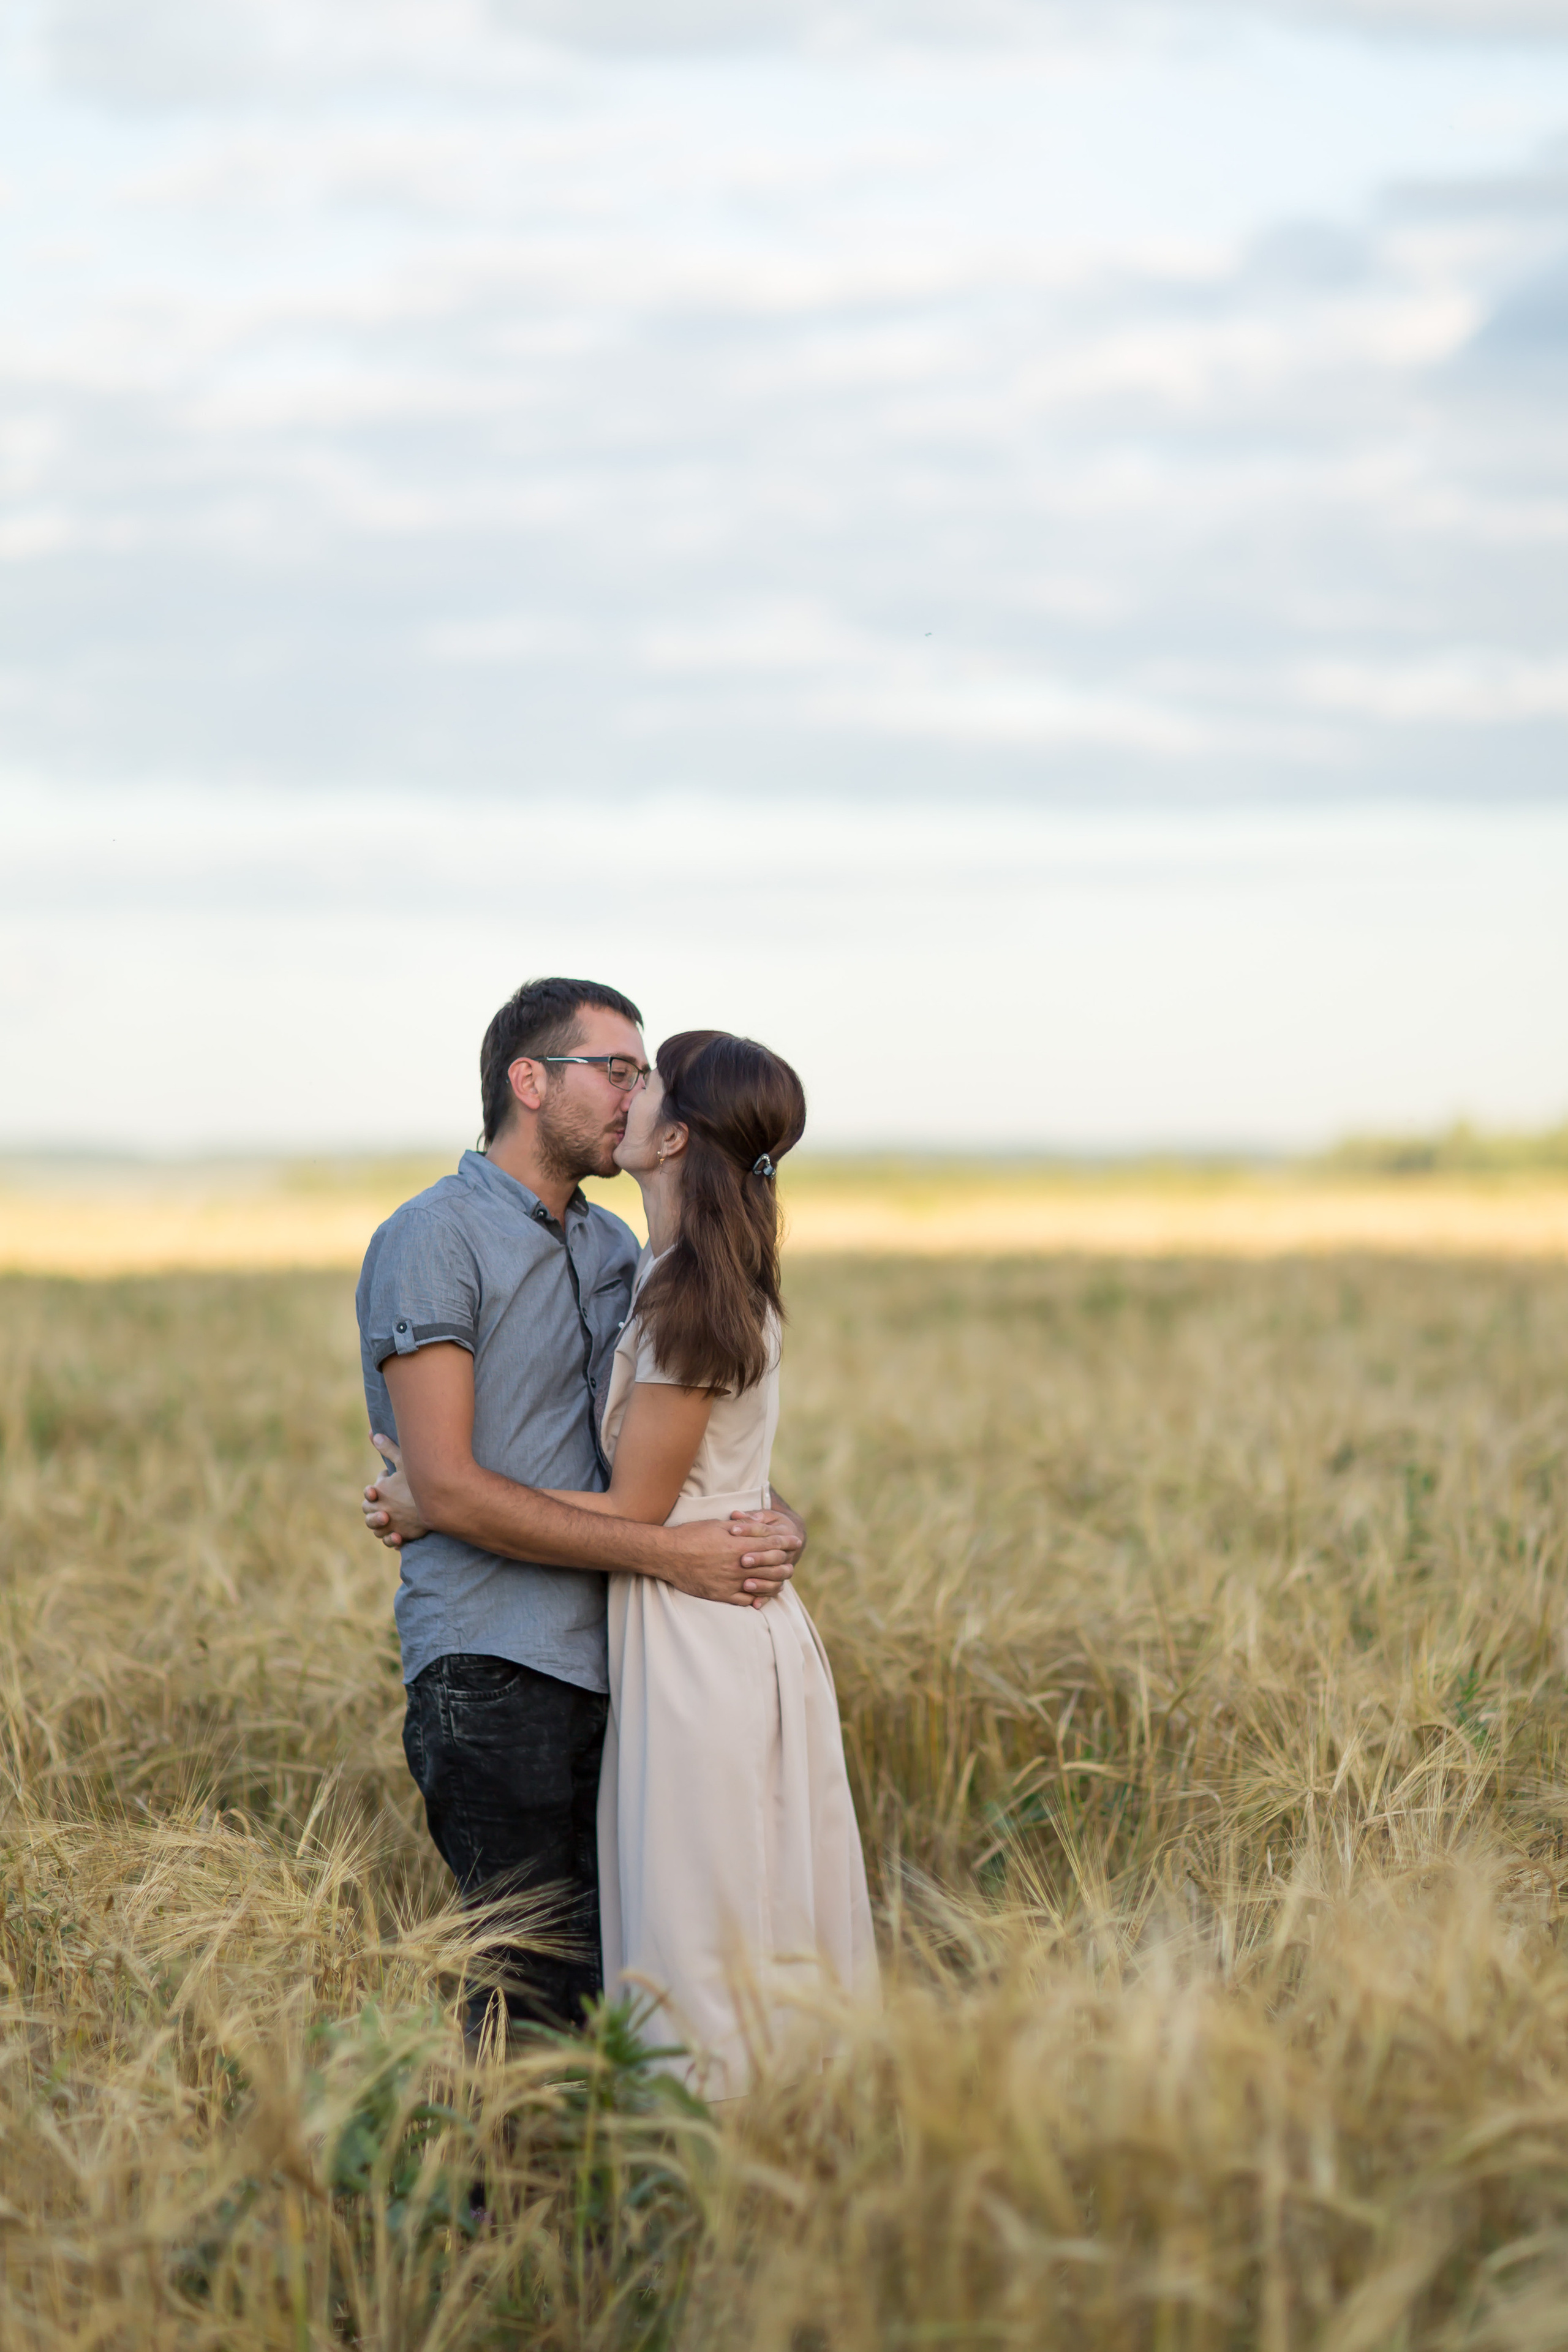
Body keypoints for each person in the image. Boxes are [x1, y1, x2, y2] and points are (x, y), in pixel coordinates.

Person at [371, 1026, 879, 2097]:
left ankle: (693, 2177)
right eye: (617, 1068)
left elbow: (658, 1487)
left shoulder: (654, 1273)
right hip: (568, 1636)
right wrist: (718, 1526)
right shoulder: (459, 1240)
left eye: (646, 1078)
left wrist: (439, 1500)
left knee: (690, 1930)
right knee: (582, 1961)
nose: (630, 1092)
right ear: (529, 1080)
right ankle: (566, 2219)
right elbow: (685, 1477)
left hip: (683, 1637)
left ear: (678, 1134)